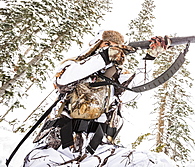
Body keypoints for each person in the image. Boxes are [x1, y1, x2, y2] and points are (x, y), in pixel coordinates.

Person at [24, 30, 175, 166]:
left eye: (116, 46)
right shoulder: (73, 66)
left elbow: (133, 92)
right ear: (95, 45)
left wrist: (150, 57)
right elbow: (63, 80)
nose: (112, 48)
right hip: (56, 148)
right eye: (107, 44)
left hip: (99, 150)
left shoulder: (117, 77)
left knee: (153, 163)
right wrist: (105, 56)